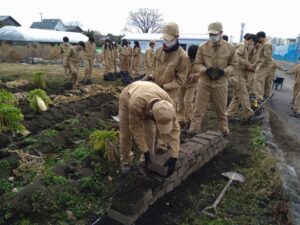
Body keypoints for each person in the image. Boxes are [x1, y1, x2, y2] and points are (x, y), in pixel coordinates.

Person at [145, 21, 189, 153]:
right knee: (152, 117)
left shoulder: (183, 57)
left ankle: (162, 145)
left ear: (176, 37)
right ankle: (150, 142)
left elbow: (181, 80)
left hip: (170, 94)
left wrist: (165, 86)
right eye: (164, 39)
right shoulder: (159, 50)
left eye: (169, 39)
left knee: (166, 119)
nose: (166, 42)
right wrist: (149, 77)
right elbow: (155, 69)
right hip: (155, 91)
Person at [119, 81, 180, 176]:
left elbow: (175, 129)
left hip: (149, 96)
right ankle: (126, 160)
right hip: (128, 97)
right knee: (125, 134)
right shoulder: (135, 104)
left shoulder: (168, 104)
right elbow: (135, 129)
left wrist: (174, 155)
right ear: (152, 115)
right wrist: (144, 149)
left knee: (150, 133)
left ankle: (146, 161)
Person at [187, 21, 238, 137]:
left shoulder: (230, 48)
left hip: (220, 82)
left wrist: (223, 71)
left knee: (221, 109)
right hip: (204, 82)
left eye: (215, 34)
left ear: (221, 33)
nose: (212, 36)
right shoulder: (202, 47)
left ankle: (224, 130)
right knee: (198, 108)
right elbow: (197, 63)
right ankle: (193, 130)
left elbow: (234, 65)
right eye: (210, 34)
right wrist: (205, 70)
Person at [227, 34, 255, 121]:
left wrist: (247, 66)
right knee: (244, 94)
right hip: (238, 75)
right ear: (250, 40)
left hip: (237, 74)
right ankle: (248, 113)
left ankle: (228, 114)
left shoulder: (243, 46)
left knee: (237, 96)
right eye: (253, 42)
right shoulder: (242, 46)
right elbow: (236, 57)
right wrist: (247, 64)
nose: (252, 45)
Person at [177, 45, 199, 128]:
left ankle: (190, 120)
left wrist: (194, 75)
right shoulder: (184, 59)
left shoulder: (200, 60)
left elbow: (202, 73)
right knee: (180, 102)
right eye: (191, 57)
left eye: (193, 58)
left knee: (187, 101)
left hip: (193, 84)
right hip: (182, 83)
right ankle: (180, 119)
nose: (191, 59)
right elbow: (178, 69)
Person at [253, 31, 274, 104]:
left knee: (257, 80)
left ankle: (259, 97)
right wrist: (255, 64)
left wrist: (260, 66)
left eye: (258, 39)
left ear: (261, 37)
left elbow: (266, 57)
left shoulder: (266, 44)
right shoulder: (264, 44)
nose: (258, 41)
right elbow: (261, 57)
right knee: (260, 81)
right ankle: (259, 96)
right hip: (263, 65)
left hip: (264, 65)